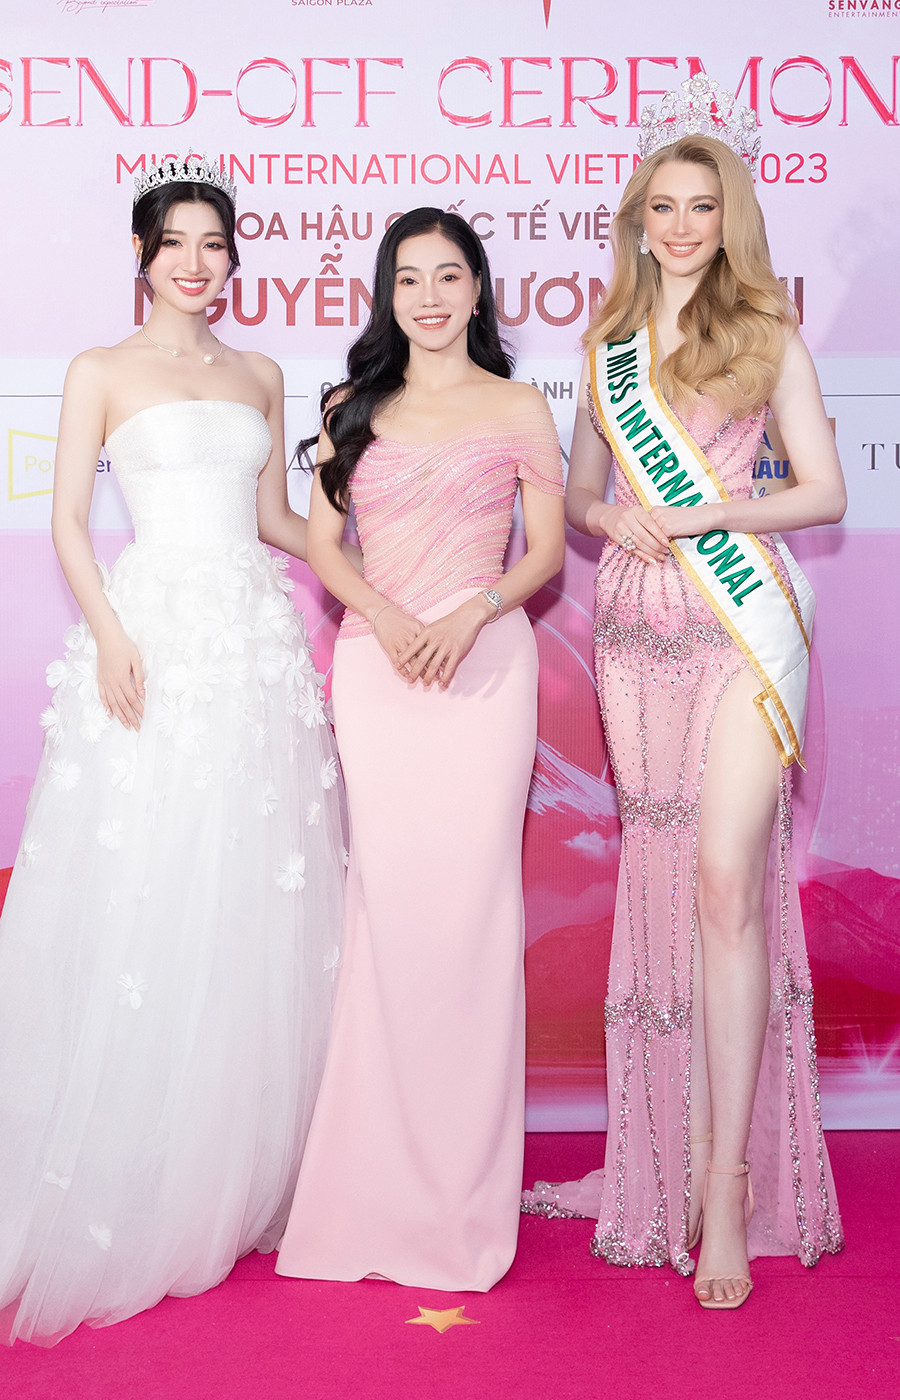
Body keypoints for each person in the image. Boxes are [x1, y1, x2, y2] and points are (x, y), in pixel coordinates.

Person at [0, 157, 345, 1345]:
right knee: (146, 887)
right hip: (150, 640)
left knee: (248, 895)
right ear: (141, 255)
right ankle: (130, 1168)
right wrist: (110, 634)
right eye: (177, 243)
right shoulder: (100, 368)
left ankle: (230, 1167)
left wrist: (362, 547)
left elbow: (274, 520)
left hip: (253, 647)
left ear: (233, 257)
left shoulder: (260, 372)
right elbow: (64, 519)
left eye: (215, 244)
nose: (198, 263)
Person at [521, 77, 845, 1308]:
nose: (681, 225)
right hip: (637, 636)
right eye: (662, 206)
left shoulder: (767, 334)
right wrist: (612, 517)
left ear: (730, 217)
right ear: (636, 219)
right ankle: (667, 1153)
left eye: (702, 206)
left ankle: (725, 1183)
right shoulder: (605, 345)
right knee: (668, 882)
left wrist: (709, 511)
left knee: (722, 883)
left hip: (741, 626)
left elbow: (825, 492)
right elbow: (582, 491)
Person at [275, 207, 566, 1292]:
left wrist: (471, 611)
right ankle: (371, 1191)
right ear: (387, 294)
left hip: (485, 668)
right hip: (378, 669)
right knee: (389, 918)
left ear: (479, 289)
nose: (430, 297)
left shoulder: (519, 405)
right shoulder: (350, 407)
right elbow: (323, 542)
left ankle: (459, 1202)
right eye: (409, 279)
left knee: (472, 918)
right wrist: (390, 618)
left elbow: (545, 553)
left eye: (449, 276)